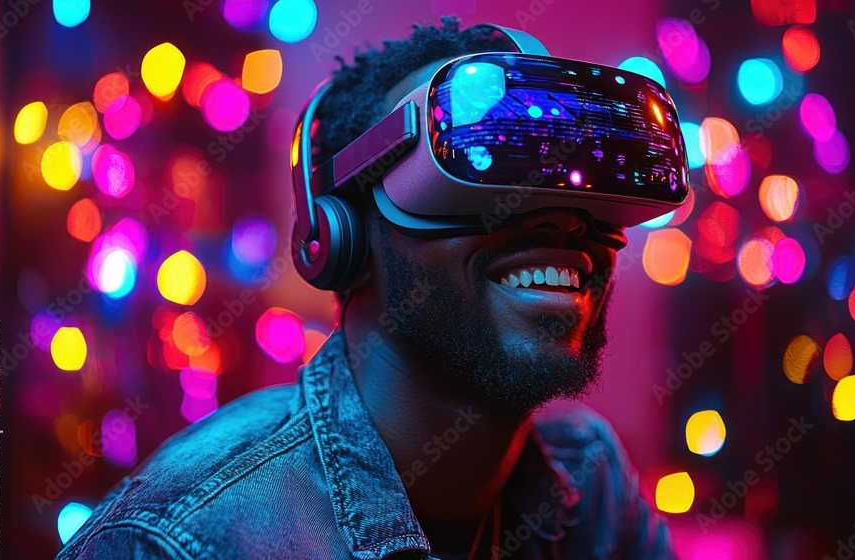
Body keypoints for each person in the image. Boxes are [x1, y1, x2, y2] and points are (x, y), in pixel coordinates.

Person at [59, 17, 678, 559]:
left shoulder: (593, 479)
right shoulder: (180, 541)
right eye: (482, 158)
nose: (561, 220)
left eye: (583, 193)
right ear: (338, 237)